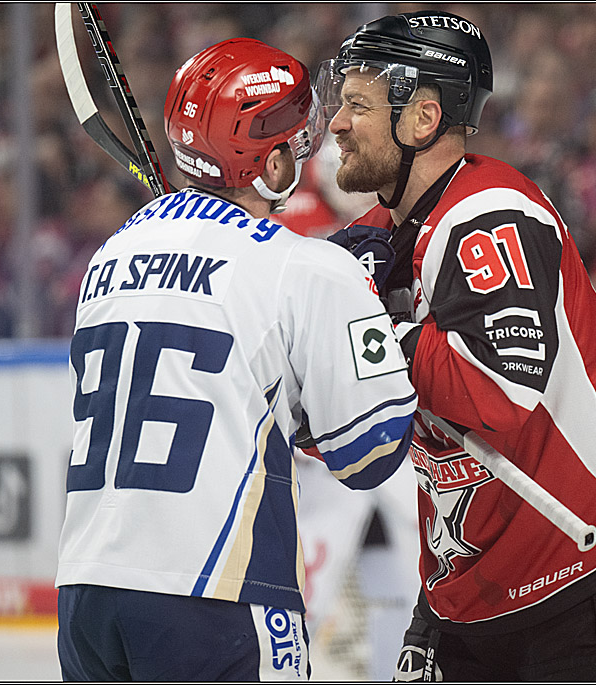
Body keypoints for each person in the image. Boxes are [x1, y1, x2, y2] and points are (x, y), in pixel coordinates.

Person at [314, 11, 596, 681]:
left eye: (357, 105)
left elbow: (501, 392)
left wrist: (370, 333)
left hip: (583, 584)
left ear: (422, 118)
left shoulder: (489, 217)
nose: (337, 123)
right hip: (464, 594)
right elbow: (334, 432)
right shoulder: (375, 241)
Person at [55, 37, 417, 682]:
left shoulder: (106, 257)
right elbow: (369, 455)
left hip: (86, 592)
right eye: (292, 142)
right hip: (215, 597)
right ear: (270, 164)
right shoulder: (308, 266)